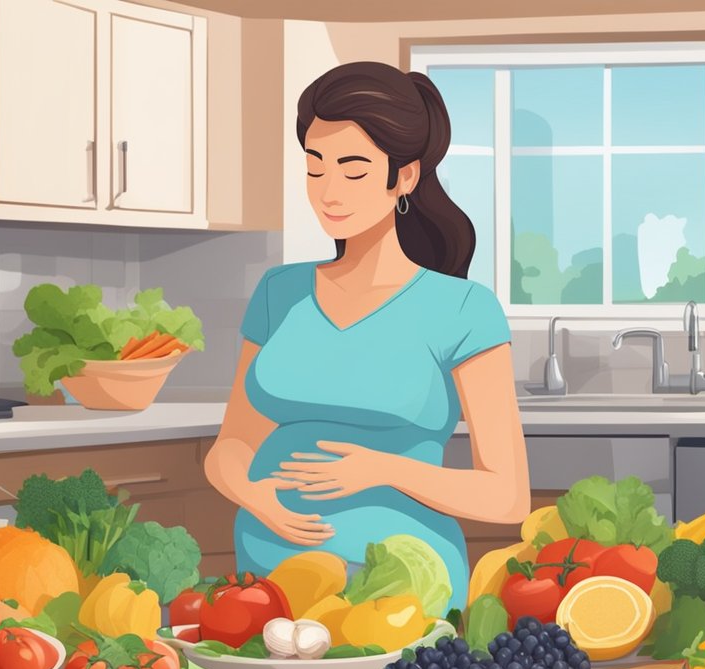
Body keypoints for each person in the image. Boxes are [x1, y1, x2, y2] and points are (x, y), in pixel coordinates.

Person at [204, 61, 531, 614]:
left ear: (404, 176)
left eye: (352, 170)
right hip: (266, 582)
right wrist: (252, 494)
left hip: (402, 591)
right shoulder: (279, 293)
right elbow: (231, 446)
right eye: (315, 168)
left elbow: (507, 496)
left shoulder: (461, 309)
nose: (328, 192)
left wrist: (381, 469)